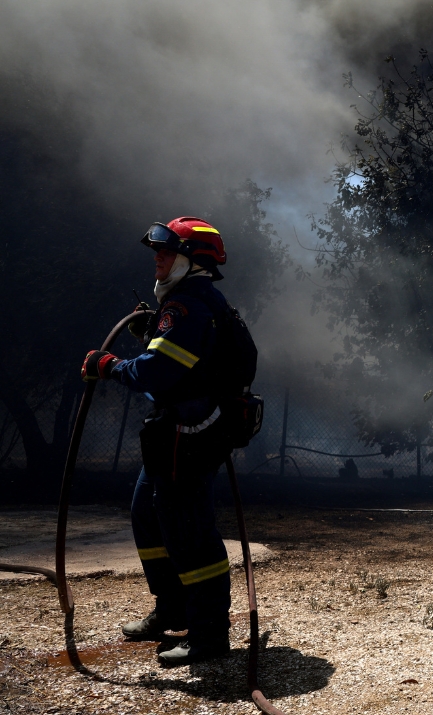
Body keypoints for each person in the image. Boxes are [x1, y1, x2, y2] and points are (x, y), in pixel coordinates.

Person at [80, 217, 236, 666]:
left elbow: (154, 373)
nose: (157, 259)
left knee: (189, 533)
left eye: (167, 252)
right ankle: (171, 610)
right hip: (173, 433)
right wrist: (153, 335)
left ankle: (209, 636)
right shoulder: (193, 304)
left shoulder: (186, 308)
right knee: (147, 515)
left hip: (188, 437)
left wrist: (108, 365)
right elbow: (178, 362)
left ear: (192, 260)